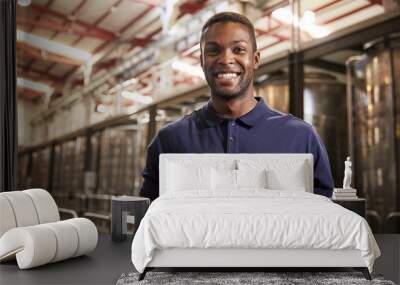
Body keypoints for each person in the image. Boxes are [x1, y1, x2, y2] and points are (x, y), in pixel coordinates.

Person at [139, 12, 334, 201]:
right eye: (213, 50)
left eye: (238, 49)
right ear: (201, 61)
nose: (225, 59)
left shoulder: (301, 138)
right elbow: (150, 221)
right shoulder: (170, 140)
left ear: (255, 59)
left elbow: (324, 221)